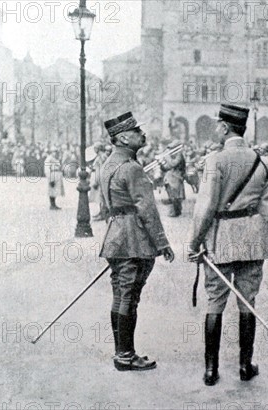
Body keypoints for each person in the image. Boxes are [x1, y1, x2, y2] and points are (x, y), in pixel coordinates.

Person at [187, 104, 268, 386]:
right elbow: (267, 210)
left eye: (217, 125)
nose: (215, 129)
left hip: (220, 238)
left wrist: (194, 242)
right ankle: (245, 366)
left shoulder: (215, 160)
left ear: (225, 127)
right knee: (248, 301)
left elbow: (206, 206)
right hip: (252, 239)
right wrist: (259, 238)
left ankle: (211, 371)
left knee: (215, 300)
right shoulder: (263, 162)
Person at [99, 112, 175, 370]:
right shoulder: (132, 168)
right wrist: (163, 242)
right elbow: (147, 210)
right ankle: (125, 356)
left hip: (114, 237)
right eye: (136, 131)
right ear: (122, 137)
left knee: (120, 295)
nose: (142, 135)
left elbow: (106, 204)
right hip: (134, 240)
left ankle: (121, 352)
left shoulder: (107, 165)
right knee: (129, 298)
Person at [159, 140, 186, 217]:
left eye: (171, 148)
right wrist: (161, 164)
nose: (169, 150)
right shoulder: (173, 156)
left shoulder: (179, 155)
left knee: (175, 195)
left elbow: (173, 164)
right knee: (171, 194)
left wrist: (166, 157)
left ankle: (176, 211)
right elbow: (167, 168)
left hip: (177, 177)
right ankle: (175, 210)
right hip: (170, 177)